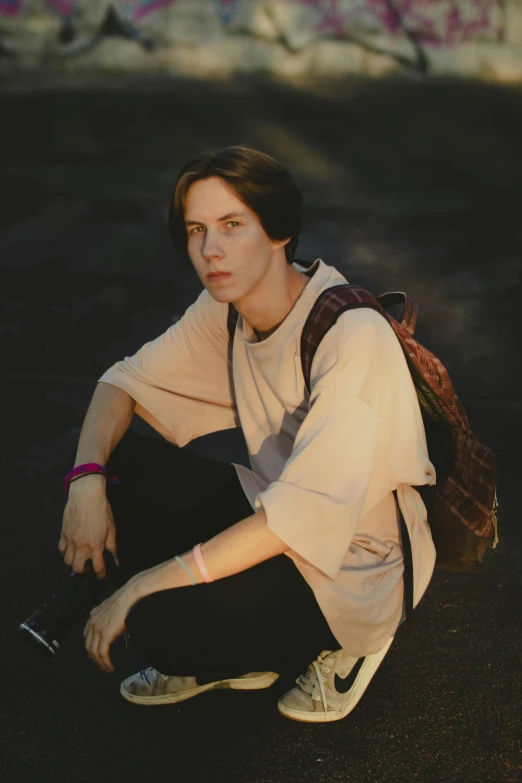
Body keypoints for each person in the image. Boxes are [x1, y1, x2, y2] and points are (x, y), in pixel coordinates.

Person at [59, 144, 436, 723]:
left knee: (156, 626)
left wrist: (137, 589)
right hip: (277, 511)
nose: (210, 251)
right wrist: (85, 483)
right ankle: (243, 650)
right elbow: (124, 384)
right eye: (196, 230)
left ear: (279, 230)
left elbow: (301, 518)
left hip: (356, 562)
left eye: (232, 226)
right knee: (119, 469)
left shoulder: (350, 337)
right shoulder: (227, 309)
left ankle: (353, 645)